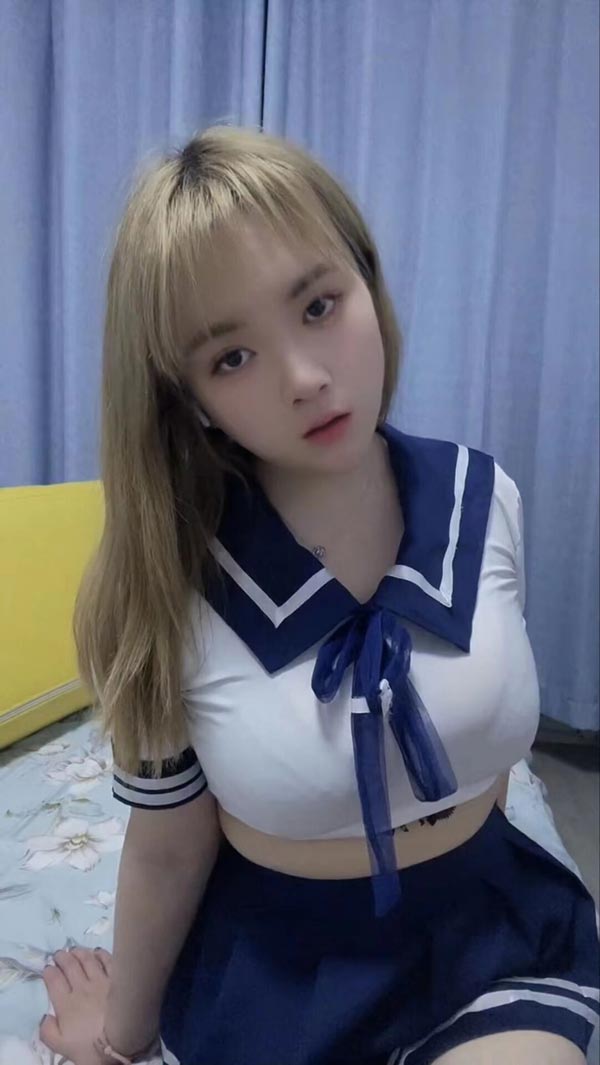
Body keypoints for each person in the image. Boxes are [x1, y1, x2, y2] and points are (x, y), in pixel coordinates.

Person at [39, 125, 599, 1065]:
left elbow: (485, 748)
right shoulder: (170, 580)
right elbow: (169, 842)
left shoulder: (483, 499)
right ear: (188, 398)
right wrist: (122, 1034)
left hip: (486, 938)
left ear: (367, 279)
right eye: (232, 357)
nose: (306, 377)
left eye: (318, 305)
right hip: (281, 974)